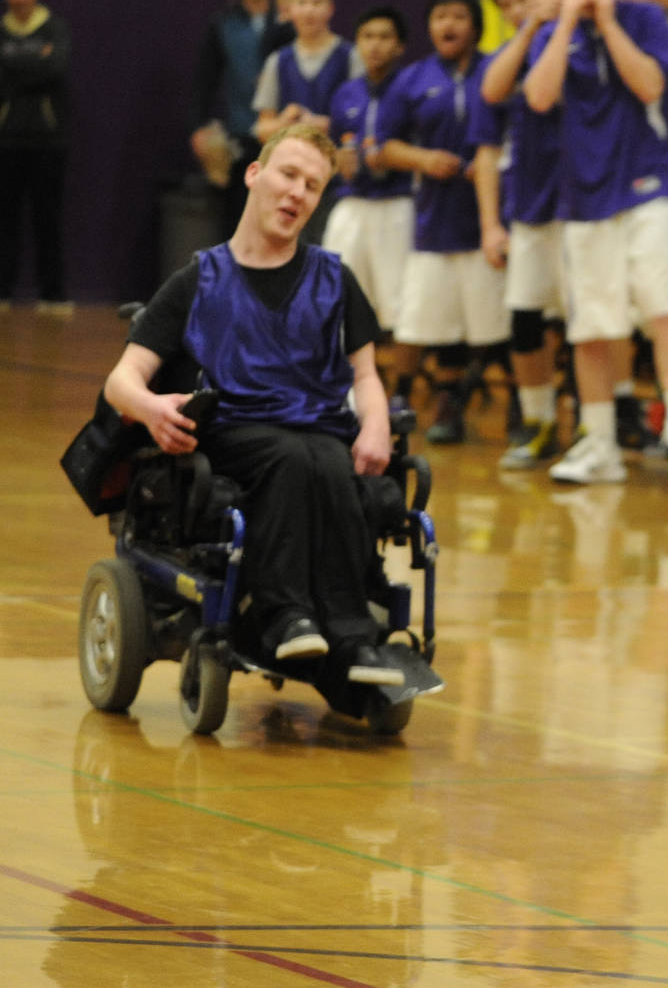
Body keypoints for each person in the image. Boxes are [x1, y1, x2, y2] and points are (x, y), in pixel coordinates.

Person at [103, 125, 436, 695]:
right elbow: (122, 380)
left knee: (333, 460)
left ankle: (352, 639)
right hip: (236, 431)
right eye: (288, 175)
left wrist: (376, 424)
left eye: (313, 185)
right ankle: (284, 615)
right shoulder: (198, 280)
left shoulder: (334, 279)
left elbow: (365, 375)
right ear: (255, 176)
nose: (298, 193)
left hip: (318, 430)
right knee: (292, 454)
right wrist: (152, 406)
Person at [523, 0, 668, 483]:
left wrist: (605, 20)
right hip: (583, 194)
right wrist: (567, 24)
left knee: (663, 308)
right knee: (591, 328)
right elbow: (539, 96)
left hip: (647, 186)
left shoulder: (643, 18)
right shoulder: (553, 29)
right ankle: (599, 444)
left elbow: (649, 86)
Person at [376, 0, 504, 445]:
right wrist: (424, 159)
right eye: (439, 17)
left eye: (457, 16)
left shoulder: (497, 69)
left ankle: (478, 402)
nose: (447, 25)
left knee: (492, 324)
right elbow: (382, 147)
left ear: (475, 24)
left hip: (495, 217)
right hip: (434, 217)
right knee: (423, 318)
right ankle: (404, 398)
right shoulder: (411, 79)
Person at [472, 0, 570, 470]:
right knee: (525, 321)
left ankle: (601, 423)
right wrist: (491, 223)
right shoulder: (500, 63)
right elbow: (486, 151)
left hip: (580, 206)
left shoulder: (576, 47)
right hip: (528, 210)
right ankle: (538, 420)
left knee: (585, 324)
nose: (515, 10)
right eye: (505, 5)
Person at [323, 6, 413, 342]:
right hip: (353, 202)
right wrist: (338, 162)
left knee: (396, 303)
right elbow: (333, 149)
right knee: (339, 297)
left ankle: (396, 384)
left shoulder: (411, 87)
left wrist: (395, 158)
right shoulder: (346, 93)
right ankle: (344, 381)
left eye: (384, 37)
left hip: (398, 203)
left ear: (400, 46)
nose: (375, 45)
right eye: (367, 37)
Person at [191, 0, 278, 238]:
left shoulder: (285, 22)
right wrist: (199, 127)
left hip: (278, 132)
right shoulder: (223, 22)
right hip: (239, 132)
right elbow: (205, 78)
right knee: (237, 217)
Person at [0, 0, 71, 312]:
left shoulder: (55, 28)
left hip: (48, 140)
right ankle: (3, 291)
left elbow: (56, 67)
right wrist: (34, 61)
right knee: (5, 219)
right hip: (7, 139)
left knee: (48, 219)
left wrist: (13, 63)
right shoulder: (3, 29)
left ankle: (53, 295)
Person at [253, 0, 361, 143]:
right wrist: (285, 122)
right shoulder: (277, 60)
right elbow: (262, 129)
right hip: (292, 162)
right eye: (302, 2)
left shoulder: (351, 56)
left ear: (330, 8)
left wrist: (321, 124)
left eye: (317, 2)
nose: (309, 10)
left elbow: (363, 123)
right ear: (289, 10)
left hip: (336, 162)